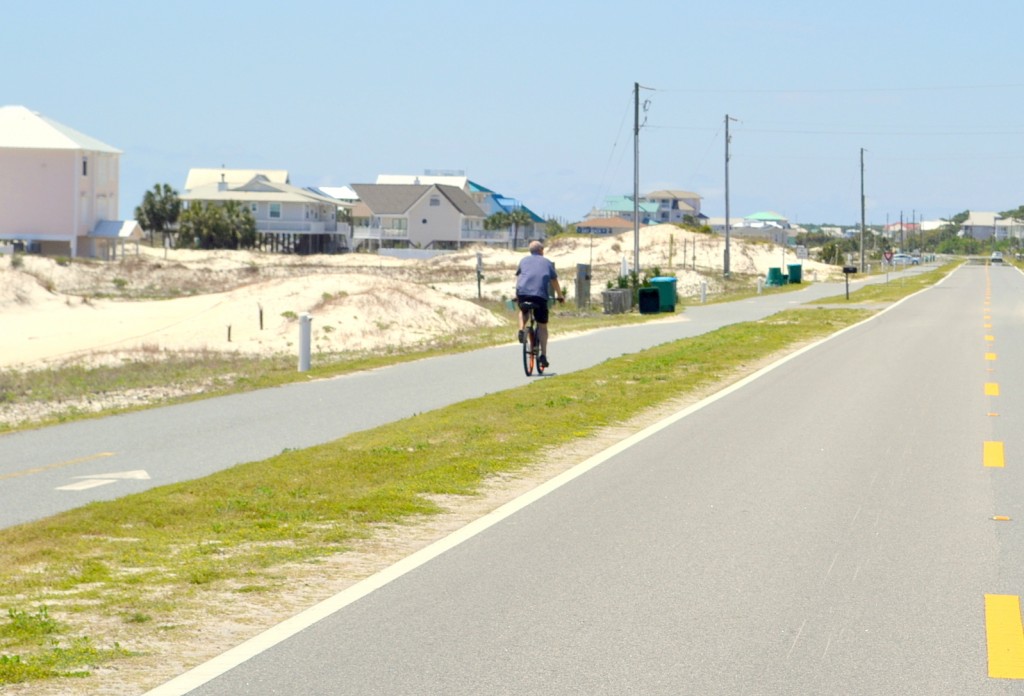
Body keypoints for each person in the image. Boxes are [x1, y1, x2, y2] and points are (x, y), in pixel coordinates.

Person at [515, 240, 564, 368]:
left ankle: (521, 330)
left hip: (523, 293)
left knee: (523, 311)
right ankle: (543, 356)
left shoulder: (523, 261)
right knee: (542, 326)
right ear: (541, 250)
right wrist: (560, 295)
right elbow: (554, 280)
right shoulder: (547, 262)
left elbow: (519, 277)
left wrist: (517, 294)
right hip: (539, 296)